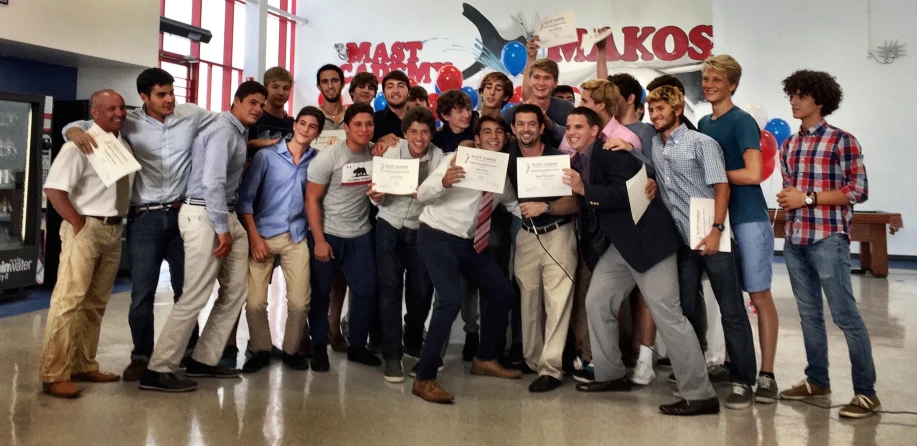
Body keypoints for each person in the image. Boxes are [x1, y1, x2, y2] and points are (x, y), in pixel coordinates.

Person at [63, 68, 218, 382]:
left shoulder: (191, 115)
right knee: (142, 292)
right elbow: (82, 124)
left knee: (186, 290)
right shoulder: (128, 121)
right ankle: (141, 356)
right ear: (144, 97)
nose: (170, 100)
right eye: (161, 95)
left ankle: (187, 351)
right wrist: (73, 132)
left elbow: (226, 122)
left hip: (181, 217)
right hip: (143, 218)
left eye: (172, 93)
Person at [561, 106, 719, 415]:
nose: (572, 132)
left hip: (649, 244)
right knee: (597, 301)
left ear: (596, 131)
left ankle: (701, 394)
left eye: (579, 126)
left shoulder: (611, 153)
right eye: (568, 127)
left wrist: (584, 189)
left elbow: (624, 194)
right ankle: (611, 375)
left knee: (668, 315)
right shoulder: (578, 160)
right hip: (621, 247)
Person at [139, 81, 267, 392]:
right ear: (235, 101)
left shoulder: (238, 131)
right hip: (205, 214)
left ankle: (204, 359)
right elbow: (212, 182)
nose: (257, 108)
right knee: (195, 294)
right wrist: (221, 228)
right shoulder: (223, 130)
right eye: (251, 102)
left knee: (235, 290)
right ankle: (158, 368)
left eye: (261, 104)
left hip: (229, 213)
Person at [775, 70, 879, 419]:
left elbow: (858, 191)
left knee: (845, 316)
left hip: (828, 239)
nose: (793, 101)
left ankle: (866, 393)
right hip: (795, 240)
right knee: (808, 316)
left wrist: (806, 198)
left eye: (801, 96)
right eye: (791, 95)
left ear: (819, 101)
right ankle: (816, 380)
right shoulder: (788, 145)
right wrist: (791, 200)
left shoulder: (842, 141)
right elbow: (793, 191)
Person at [647, 85, 758, 410]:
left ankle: (743, 381)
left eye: (660, 110)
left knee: (731, 310)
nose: (654, 116)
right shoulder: (655, 144)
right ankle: (696, 373)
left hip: (713, 235)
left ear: (677, 110)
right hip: (682, 241)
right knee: (687, 309)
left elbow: (721, 187)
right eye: (651, 110)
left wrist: (716, 229)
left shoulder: (702, 143)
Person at [411, 115, 523, 403]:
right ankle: (424, 377)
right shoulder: (455, 158)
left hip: (470, 244)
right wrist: (445, 182)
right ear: (478, 138)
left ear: (505, 138)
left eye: (499, 132)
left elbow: (513, 205)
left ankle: (484, 359)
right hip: (437, 235)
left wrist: (548, 210)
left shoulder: (500, 175)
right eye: (487, 132)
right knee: (450, 298)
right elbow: (422, 194)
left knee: (502, 292)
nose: (494, 136)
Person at [698, 55, 779, 403]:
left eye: (717, 79)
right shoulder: (703, 122)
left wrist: (714, 176)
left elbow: (753, 174)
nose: (710, 84)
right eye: (706, 79)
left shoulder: (743, 121)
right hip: (717, 218)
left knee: (758, 296)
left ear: (732, 84)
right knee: (729, 298)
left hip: (747, 218)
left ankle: (767, 374)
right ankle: (735, 364)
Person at [40, 90, 132, 398]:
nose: (118, 113)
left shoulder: (120, 143)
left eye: (121, 107)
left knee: (95, 304)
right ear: (94, 112)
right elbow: (54, 190)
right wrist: (78, 224)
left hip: (113, 229)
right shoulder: (78, 145)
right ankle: (54, 374)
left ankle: (83, 363)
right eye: (110, 108)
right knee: (69, 301)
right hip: (87, 227)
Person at [237, 106, 323, 374]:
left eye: (312, 127)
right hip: (262, 234)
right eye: (302, 123)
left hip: (296, 237)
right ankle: (261, 349)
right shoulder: (267, 157)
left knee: (299, 302)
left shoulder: (317, 161)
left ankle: (290, 350)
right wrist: (254, 238)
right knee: (254, 302)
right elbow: (245, 200)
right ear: (294, 124)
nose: (305, 130)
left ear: (317, 133)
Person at [506, 104, 579, 392]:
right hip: (526, 236)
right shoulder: (508, 158)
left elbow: (574, 202)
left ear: (540, 127)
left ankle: (551, 368)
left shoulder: (558, 158)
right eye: (520, 124)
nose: (526, 129)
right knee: (528, 301)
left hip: (558, 235)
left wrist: (545, 206)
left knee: (557, 302)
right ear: (513, 129)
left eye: (531, 124)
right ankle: (534, 361)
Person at [369, 107, 444, 383]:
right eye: (413, 131)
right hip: (389, 225)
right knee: (389, 288)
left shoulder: (438, 157)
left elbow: (439, 197)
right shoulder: (391, 153)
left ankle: (413, 339)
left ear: (432, 134)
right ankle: (392, 355)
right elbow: (378, 195)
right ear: (405, 133)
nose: (419, 137)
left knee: (422, 290)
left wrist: (424, 192)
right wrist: (376, 196)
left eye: (425, 132)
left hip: (421, 227)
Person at [305, 102, 380, 371]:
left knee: (366, 291)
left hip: (360, 234)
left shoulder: (377, 155)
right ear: (346, 127)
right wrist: (320, 240)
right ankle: (319, 347)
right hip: (329, 234)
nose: (363, 129)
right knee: (321, 293)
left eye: (368, 124)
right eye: (357, 124)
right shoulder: (329, 157)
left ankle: (357, 345)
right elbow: (311, 200)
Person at [508, 41, 574, 147]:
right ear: (529, 80)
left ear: (555, 83)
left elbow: (573, 137)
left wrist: (549, 123)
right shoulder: (511, 114)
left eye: (547, 78)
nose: (541, 83)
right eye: (537, 77)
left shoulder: (567, 108)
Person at [373, 70, 411, 144]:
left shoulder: (420, 119)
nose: (396, 91)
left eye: (400, 86)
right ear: (384, 94)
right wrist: (378, 141)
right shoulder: (374, 120)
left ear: (409, 92)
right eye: (390, 87)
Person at [318, 64, 347, 130]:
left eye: (335, 81)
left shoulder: (352, 116)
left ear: (342, 84)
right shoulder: (311, 117)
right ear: (319, 86)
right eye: (325, 82)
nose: (330, 86)